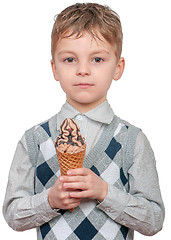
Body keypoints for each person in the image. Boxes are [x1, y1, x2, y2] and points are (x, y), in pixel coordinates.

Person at [3, 3, 165, 240]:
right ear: (54, 68)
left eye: (97, 59)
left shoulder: (132, 140)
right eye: (70, 59)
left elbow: (154, 220)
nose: (83, 70)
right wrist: (50, 200)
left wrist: (105, 193)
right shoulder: (34, 139)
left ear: (118, 68)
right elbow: (12, 214)